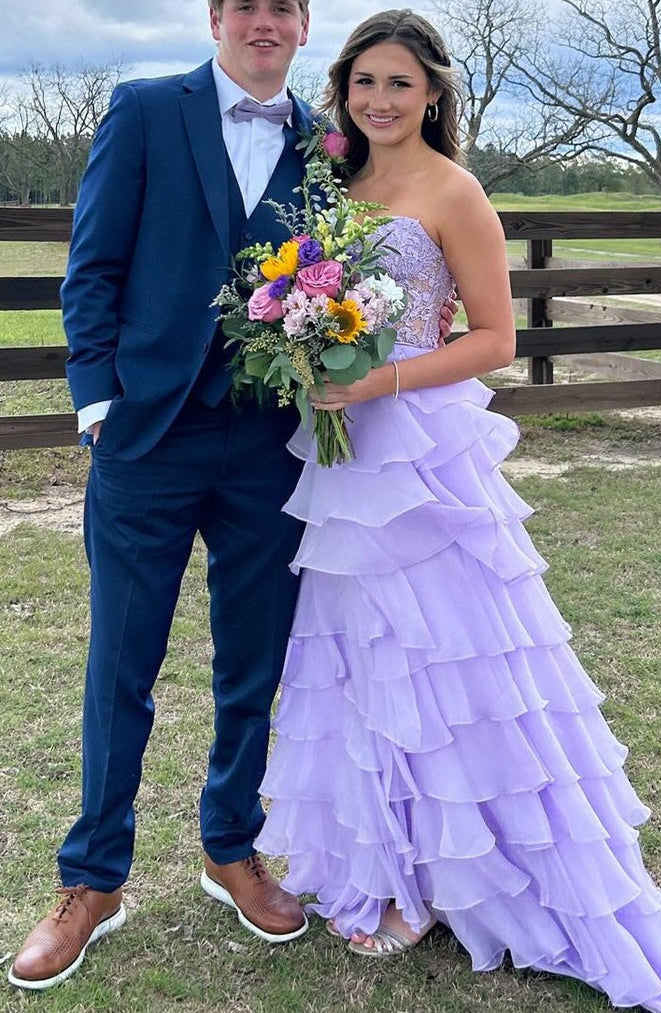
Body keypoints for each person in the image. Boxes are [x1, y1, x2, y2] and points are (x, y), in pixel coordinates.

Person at [255, 11, 661, 1012]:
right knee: (361, 648)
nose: (379, 100)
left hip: (419, 444)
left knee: (444, 655)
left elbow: (495, 337)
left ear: (434, 94)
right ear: (344, 91)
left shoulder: (456, 192)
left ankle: (458, 875)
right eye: (365, 81)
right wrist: (302, 344)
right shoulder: (334, 185)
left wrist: (379, 380)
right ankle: (392, 864)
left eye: (399, 84)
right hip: (343, 453)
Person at [8, 0, 318, 991]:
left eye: (285, 6)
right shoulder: (144, 111)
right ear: (218, 17)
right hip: (146, 439)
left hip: (270, 443)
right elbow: (91, 267)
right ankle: (91, 878)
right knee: (120, 661)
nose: (264, 22)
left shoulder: (326, 140)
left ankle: (232, 846)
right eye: (249, 5)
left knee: (252, 659)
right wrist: (97, 402)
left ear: (303, 25)